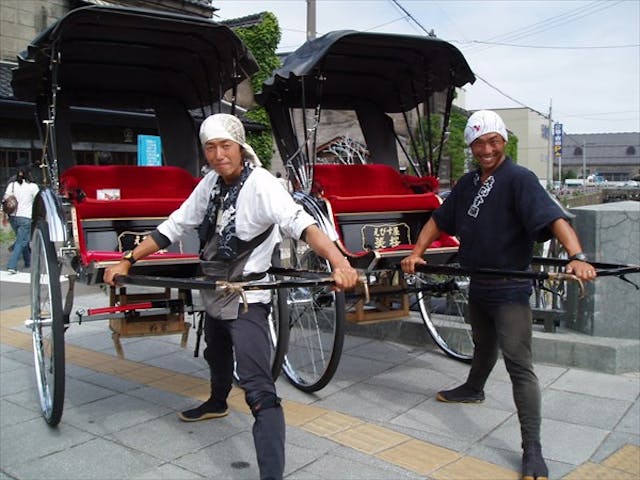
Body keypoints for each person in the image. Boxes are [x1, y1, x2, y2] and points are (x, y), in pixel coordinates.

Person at [104, 113, 358, 480]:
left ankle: (271, 473)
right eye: (211, 147)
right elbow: (175, 226)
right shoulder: (209, 185)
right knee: (216, 350)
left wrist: (338, 261)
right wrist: (128, 259)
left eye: (225, 146)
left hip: (247, 296)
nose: (218, 154)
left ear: (240, 147)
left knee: (257, 386)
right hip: (213, 287)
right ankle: (217, 401)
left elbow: (301, 223)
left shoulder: (263, 185)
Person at [400, 110, 596, 480]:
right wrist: (416, 252)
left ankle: (532, 448)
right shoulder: (469, 183)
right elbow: (439, 220)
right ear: (472, 146)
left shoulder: (519, 179)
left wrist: (577, 257)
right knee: (483, 344)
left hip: (510, 288)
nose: (487, 149)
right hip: (480, 283)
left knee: (519, 365)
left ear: (503, 142)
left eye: (493, 141)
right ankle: (473, 388)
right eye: (479, 143)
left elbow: (555, 218)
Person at [3, 169, 39, 274]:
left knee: (22, 239)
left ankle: (28, 262)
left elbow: (5, 198)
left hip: (13, 216)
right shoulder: (33, 187)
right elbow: (38, 201)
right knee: (21, 241)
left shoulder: (12, 185)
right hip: (26, 216)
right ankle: (12, 265)